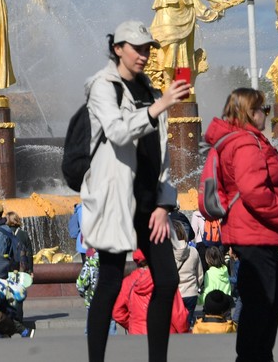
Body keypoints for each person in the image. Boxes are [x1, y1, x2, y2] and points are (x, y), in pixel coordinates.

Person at [80, 20, 190, 362]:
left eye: (148, 49)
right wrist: (159, 107)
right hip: (115, 200)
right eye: (137, 48)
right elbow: (117, 133)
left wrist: (165, 204)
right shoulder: (102, 87)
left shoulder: (149, 91)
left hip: (148, 203)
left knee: (168, 280)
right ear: (118, 49)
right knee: (110, 282)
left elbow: (162, 155)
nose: (144, 55)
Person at [204, 87, 278, 360]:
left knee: (275, 291)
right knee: (262, 298)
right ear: (249, 112)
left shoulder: (242, 140)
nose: (267, 115)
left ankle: (258, 355)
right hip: (255, 231)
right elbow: (253, 189)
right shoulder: (245, 142)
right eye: (263, 110)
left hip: (255, 231)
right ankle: (251, 356)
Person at [112, 249, 189, 335]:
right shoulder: (166, 280)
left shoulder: (127, 283)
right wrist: (185, 332)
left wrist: (132, 324)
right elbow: (178, 315)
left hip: (137, 334)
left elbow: (117, 312)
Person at [171, 221, 202, 325]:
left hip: (175, 294)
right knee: (187, 324)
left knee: (174, 325)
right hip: (191, 292)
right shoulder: (193, 251)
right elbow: (200, 275)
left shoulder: (168, 252)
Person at [197, 246, 231, 311]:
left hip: (214, 306)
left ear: (208, 259)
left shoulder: (209, 273)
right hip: (226, 304)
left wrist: (198, 300)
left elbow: (208, 291)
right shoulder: (225, 270)